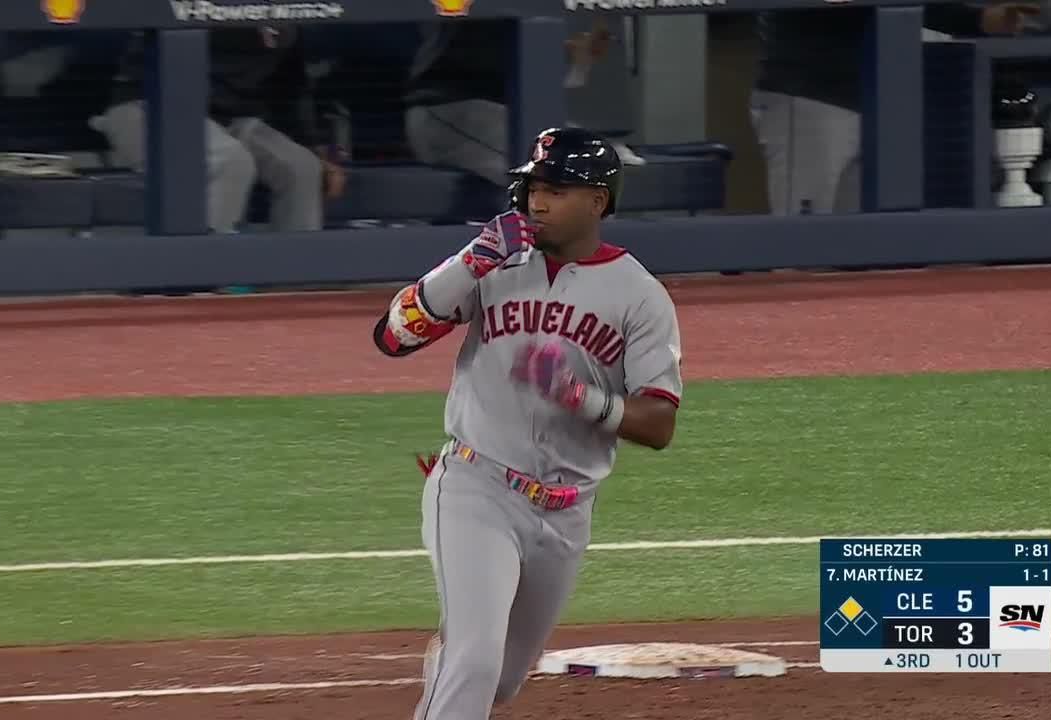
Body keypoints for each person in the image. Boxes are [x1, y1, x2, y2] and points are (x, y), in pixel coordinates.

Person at [370, 127, 683, 720]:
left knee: (503, 679)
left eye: (556, 190)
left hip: (566, 511)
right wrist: (471, 260)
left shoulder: (640, 295)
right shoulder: (494, 265)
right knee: (475, 660)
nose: (537, 202)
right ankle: (457, 661)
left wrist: (583, 398)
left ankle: (452, 664)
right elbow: (393, 336)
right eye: (533, 188)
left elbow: (660, 423)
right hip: (476, 486)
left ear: (598, 201)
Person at [751, 3, 1038, 215]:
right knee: (803, 239)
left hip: (869, 103)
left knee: (849, 248)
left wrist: (981, 19)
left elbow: (914, 7)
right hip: (807, 97)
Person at [90, 27, 345, 233]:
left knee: (303, 168)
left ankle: (294, 274)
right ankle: (209, 270)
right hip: (148, 110)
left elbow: (291, 88)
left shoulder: (287, 14)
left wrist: (315, 151)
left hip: (230, 120)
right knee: (232, 162)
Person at [402, 20, 640, 187]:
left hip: (505, 113)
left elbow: (526, 70)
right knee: (574, 169)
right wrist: (568, 56)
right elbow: (483, 58)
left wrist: (575, 55)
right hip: (446, 112)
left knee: (613, 157)